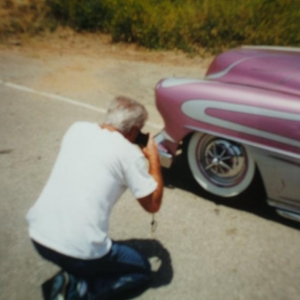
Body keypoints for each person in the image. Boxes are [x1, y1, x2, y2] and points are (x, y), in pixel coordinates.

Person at [26, 96, 164, 299]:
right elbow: (153, 204)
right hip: (79, 251)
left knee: (86, 253)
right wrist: (153, 159)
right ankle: (77, 290)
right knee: (141, 270)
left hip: (38, 236)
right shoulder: (128, 154)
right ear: (135, 130)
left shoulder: (77, 128)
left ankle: (72, 274)